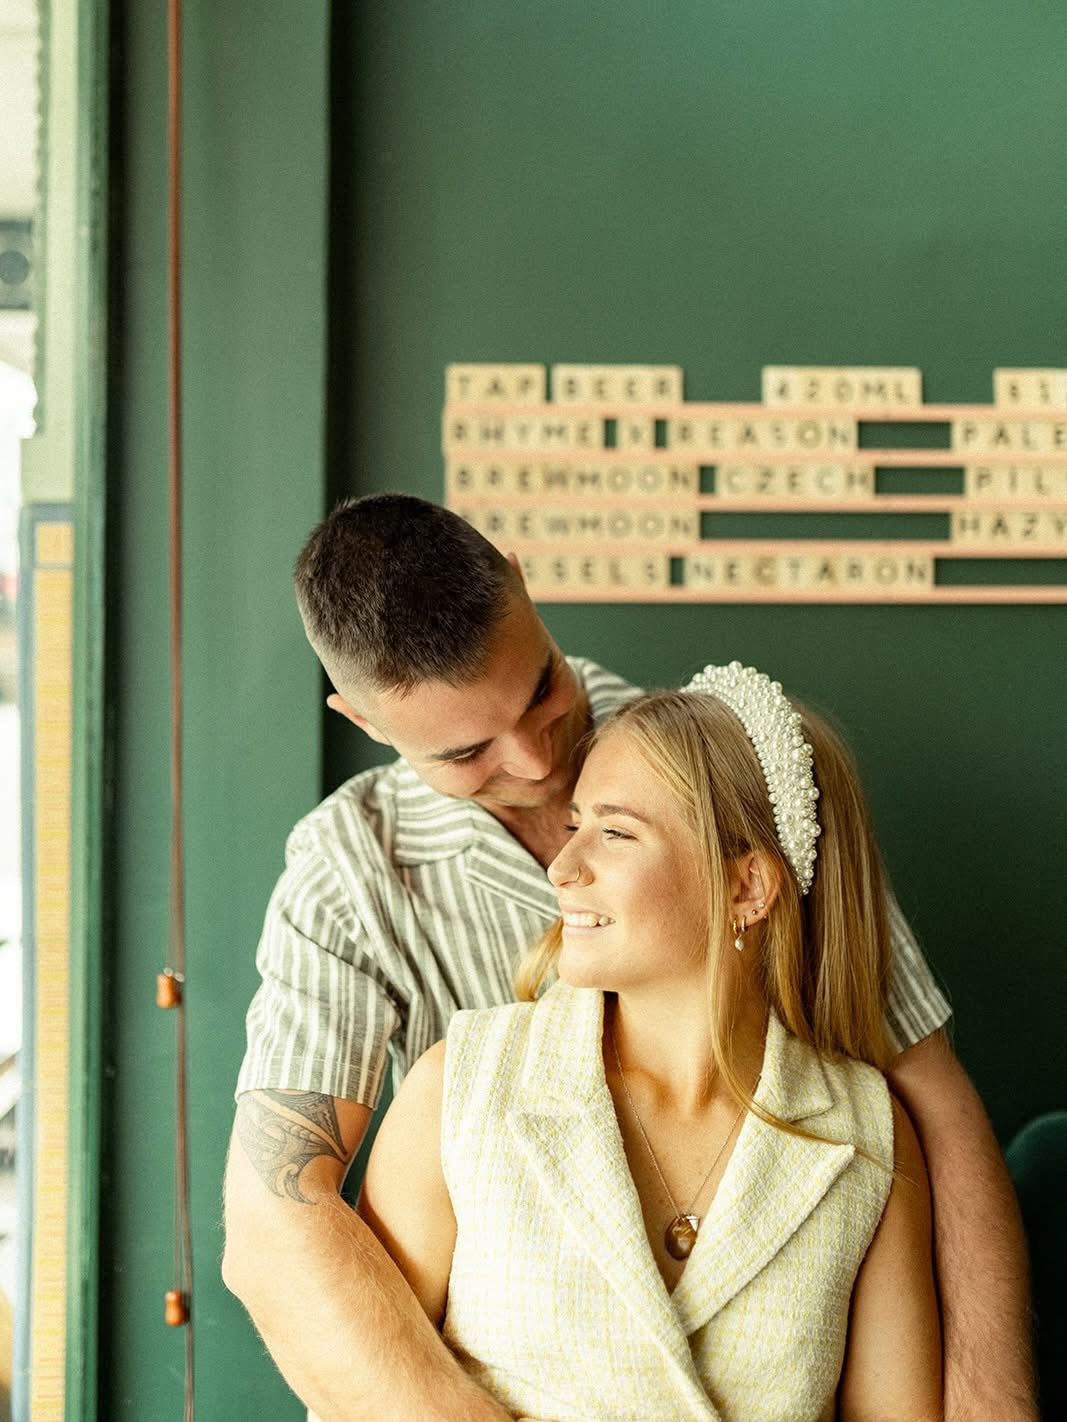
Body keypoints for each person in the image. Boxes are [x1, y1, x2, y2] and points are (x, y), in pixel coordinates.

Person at [221, 495, 1035, 1421]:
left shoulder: (729, 767)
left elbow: (931, 1101)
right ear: (364, 721)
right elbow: (275, 1220)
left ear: (524, 588)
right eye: (466, 750)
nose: (533, 760)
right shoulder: (352, 877)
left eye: (538, 691)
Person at [358, 664, 943, 1420]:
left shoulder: (865, 1133)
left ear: (746, 889)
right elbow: (357, 1399)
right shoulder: (461, 1091)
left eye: (616, 832)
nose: (563, 867)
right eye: (575, 826)